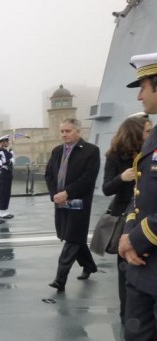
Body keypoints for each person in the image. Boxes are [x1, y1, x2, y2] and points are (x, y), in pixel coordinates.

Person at [119, 51, 157, 341]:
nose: (140, 94)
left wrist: (137, 238)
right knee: (137, 333)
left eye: (143, 86)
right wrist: (129, 232)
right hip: (145, 259)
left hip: (149, 248)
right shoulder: (153, 137)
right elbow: (141, 192)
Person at [102, 114, 152, 324]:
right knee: (125, 270)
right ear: (135, 133)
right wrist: (122, 178)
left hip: (149, 216)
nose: (151, 133)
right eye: (147, 130)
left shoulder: (151, 153)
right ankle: (127, 315)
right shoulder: (115, 156)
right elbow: (106, 188)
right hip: (126, 218)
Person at [45, 118, 100, 292]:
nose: (64, 134)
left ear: (78, 131)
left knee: (71, 239)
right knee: (75, 238)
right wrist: (55, 194)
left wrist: (67, 193)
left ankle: (60, 279)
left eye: (68, 131)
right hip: (60, 202)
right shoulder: (57, 151)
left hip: (79, 203)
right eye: (62, 131)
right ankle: (89, 265)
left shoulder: (91, 151)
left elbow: (88, 178)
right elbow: (49, 175)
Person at [0, 135, 15, 220]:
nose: (8, 143)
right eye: (6, 141)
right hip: (3, 174)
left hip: (8, 174)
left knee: (7, 193)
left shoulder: (7, 151)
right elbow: (4, 162)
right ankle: (1, 211)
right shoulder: (1, 152)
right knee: (3, 193)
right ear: (2, 143)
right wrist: (11, 159)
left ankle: (5, 210)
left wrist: (11, 155)